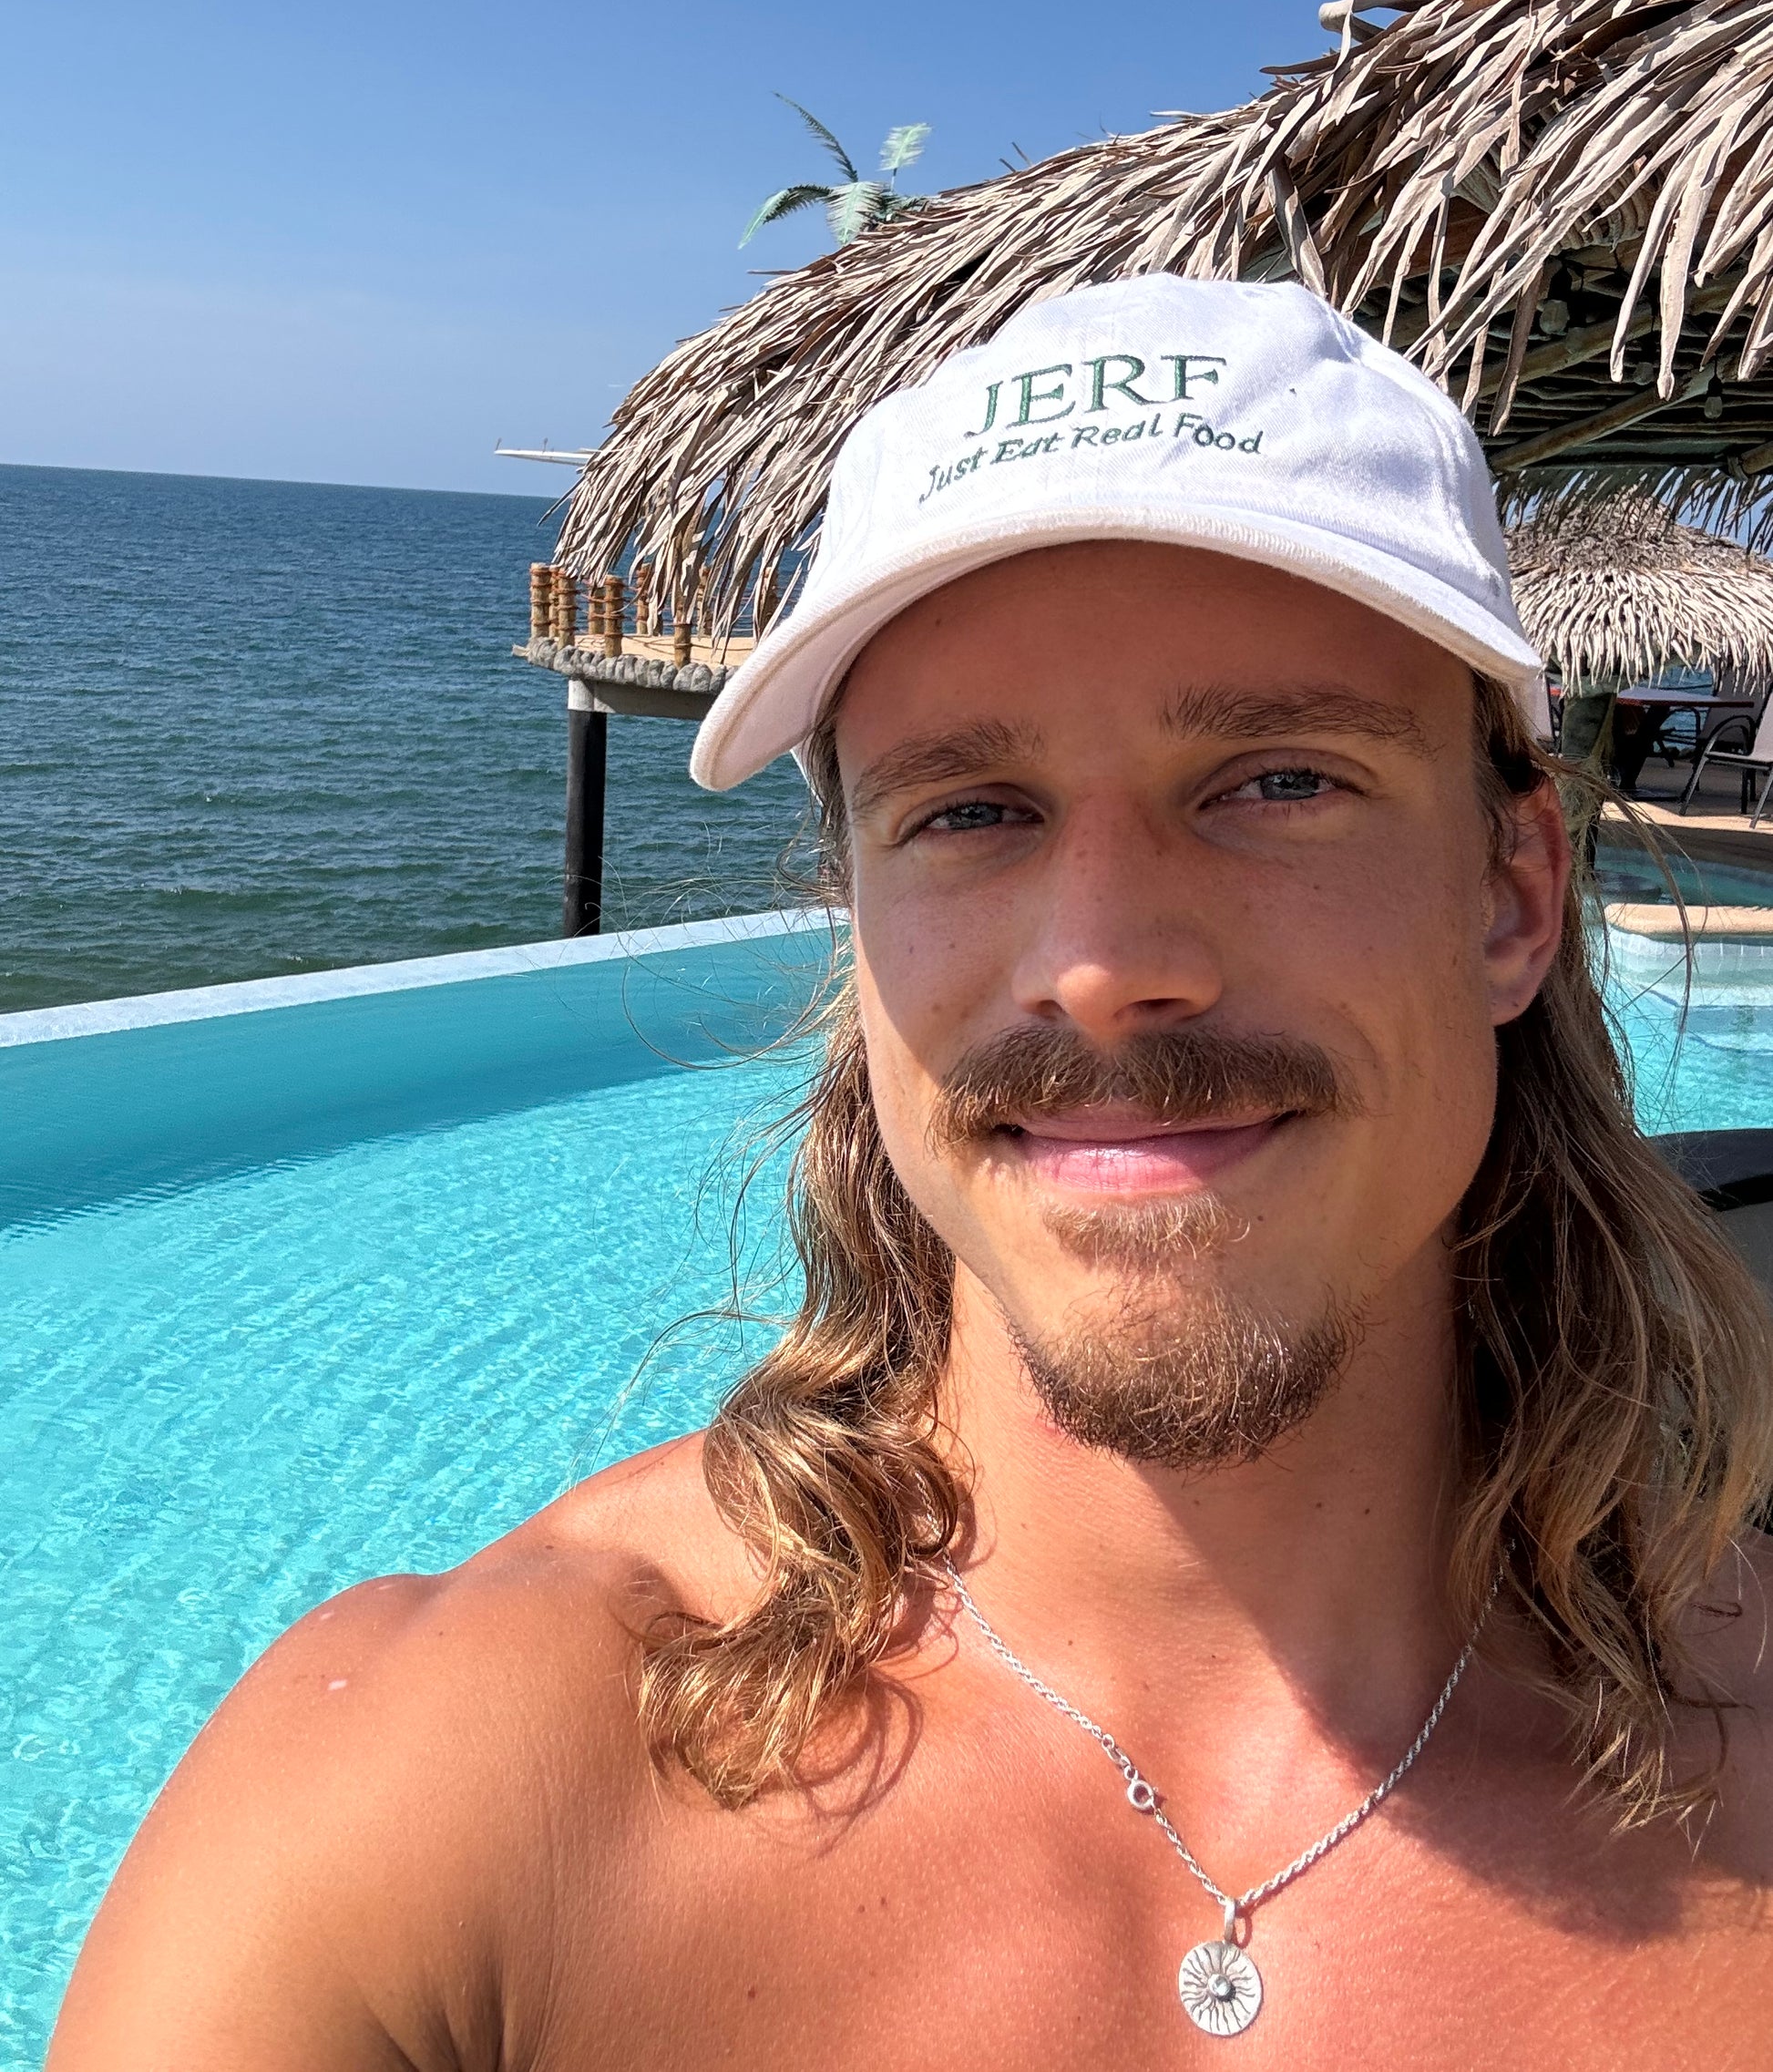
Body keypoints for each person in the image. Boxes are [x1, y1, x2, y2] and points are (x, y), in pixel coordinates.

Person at [50, 278, 1773, 2068]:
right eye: (968, 811)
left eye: (1277, 780)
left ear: (1510, 896)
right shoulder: (438, 1791)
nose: (1100, 962)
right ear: (857, 921)